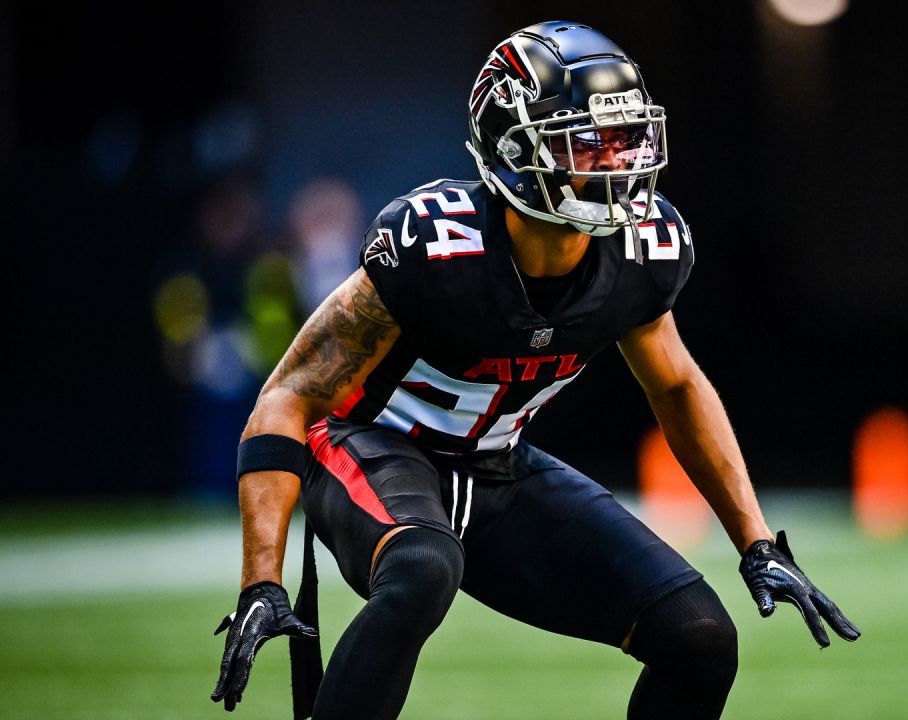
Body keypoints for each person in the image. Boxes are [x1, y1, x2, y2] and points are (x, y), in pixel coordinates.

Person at [212, 21, 860, 720]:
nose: (618, 164)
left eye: (627, 140)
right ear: (516, 149)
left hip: (497, 465)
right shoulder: (436, 245)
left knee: (699, 635)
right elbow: (288, 396)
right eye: (591, 143)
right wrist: (261, 582)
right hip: (371, 446)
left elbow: (675, 383)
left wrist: (756, 543)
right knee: (424, 570)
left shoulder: (644, 250)